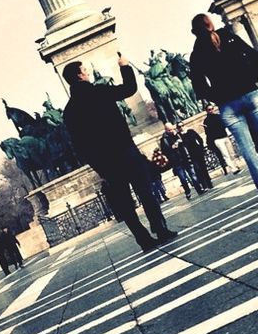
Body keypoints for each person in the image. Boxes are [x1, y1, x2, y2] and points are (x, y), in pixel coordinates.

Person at [63, 54, 177, 250]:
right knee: (146, 192)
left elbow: (78, 145)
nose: (88, 72)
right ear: (80, 75)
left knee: (125, 204)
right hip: (126, 151)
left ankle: (144, 240)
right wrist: (124, 66)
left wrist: (98, 165)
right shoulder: (99, 91)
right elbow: (129, 88)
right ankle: (160, 228)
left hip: (106, 162)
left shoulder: (69, 111)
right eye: (85, 70)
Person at [189, 14, 258, 201]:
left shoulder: (196, 53)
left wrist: (216, 95)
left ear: (194, 32)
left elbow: (198, 85)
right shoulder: (227, 35)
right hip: (250, 93)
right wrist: (251, 78)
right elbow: (254, 56)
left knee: (247, 148)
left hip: (227, 104)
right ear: (210, 24)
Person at [160, 125, 202, 197]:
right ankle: (187, 191)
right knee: (183, 178)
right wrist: (172, 147)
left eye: (173, 129)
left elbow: (186, 142)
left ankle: (199, 189)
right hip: (176, 161)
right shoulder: (164, 139)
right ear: (166, 130)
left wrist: (181, 141)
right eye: (170, 130)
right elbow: (164, 151)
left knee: (192, 174)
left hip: (184, 157)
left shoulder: (178, 134)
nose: (172, 131)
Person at [180, 125, 213, 192]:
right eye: (179, 126)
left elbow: (199, 139)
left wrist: (201, 147)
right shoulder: (180, 136)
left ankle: (209, 182)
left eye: (182, 125)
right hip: (191, 155)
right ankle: (204, 185)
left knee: (203, 168)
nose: (181, 127)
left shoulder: (191, 131)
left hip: (198, 152)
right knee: (198, 169)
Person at [202, 104, 233, 172]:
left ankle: (235, 165)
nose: (211, 110)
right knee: (225, 154)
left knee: (231, 153)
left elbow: (224, 125)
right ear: (206, 111)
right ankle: (233, 168)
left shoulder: (218, 116)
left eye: (212, 108)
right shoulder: (206, 121)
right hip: (217, 139)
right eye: (209, 109)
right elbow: (208, 132)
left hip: (225, 136)